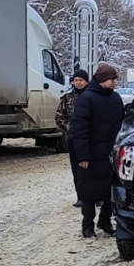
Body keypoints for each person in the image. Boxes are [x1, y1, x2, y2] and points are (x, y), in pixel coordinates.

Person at [70, 62, 125, 238]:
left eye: (115, 79)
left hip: (111, 153)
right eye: (112, 79)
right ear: (102, 79)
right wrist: (82, 155)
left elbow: (122, 125)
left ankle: (105, 221)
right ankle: (88, 225)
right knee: (89, 190)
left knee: (110, 190)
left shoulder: (116, 98)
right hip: (92, 153)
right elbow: (80, 130)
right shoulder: (86, 98)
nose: (115, 82)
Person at [56, 68, 90, 207]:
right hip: (74, 138)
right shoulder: (68, 98)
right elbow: (59, 117)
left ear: (86, 81)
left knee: (93, 169)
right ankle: (81, 196)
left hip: (90, 138)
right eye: (76, 80)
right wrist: (70, 129)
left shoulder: (92, 96)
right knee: (77, 169)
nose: (78, 83)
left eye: (81, 80)